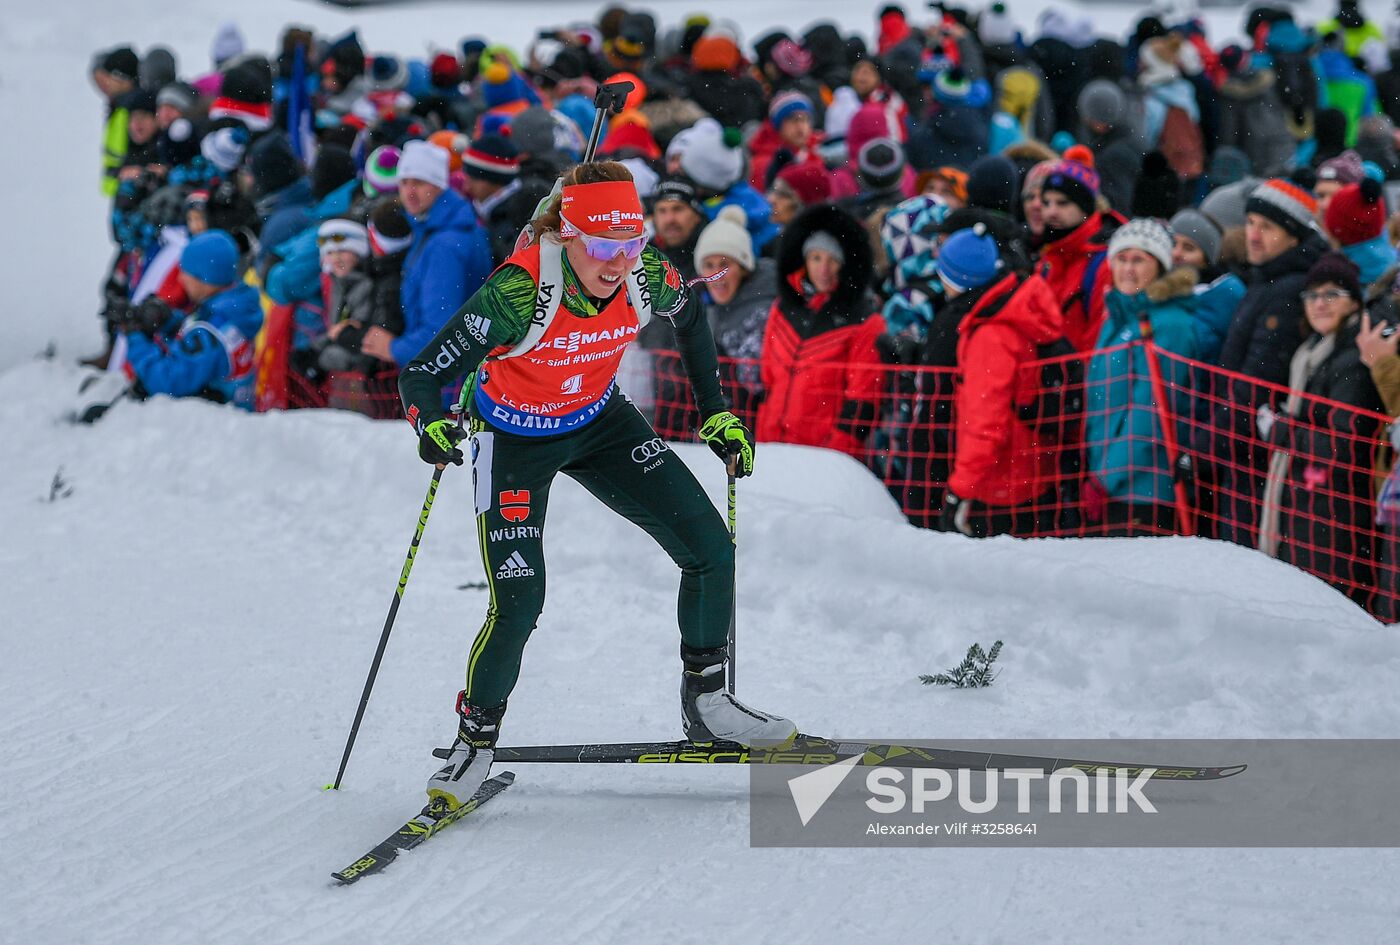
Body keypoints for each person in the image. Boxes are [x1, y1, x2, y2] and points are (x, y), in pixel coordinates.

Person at [397, 161, 795, 813]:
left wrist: (715, 410)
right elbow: (420, 373)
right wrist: (431, 423)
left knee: (710, 549)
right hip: (516, 439)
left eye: (632, 242)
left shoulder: (645, 275)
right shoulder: (518, 292)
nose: (618, 262)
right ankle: (476, 739)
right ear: (567, 235)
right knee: (520, 602)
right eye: (605, 246)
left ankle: (708, 701)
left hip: (598, 420)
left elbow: (691, 321)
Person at [1189, 179, 1328, 545]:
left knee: (1245, 559)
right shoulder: (1266, 280)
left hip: (1256, 453)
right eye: (1250, 222)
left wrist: (1204, 448)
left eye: (1266, 227)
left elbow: (1256, 384)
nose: (1253, 234)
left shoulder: (1286, 290)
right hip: (1242, 451)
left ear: (1293, 235)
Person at [1083, 219, 1239, 535]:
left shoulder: (1169, 325)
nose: (1128, 268)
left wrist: (1105, 478)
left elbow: (1150, 413)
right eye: (1122, 258)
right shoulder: (1118, 315)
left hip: (1147, 487)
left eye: (1139, 259)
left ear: (1160, 265)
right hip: (1113, 480)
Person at [1258, 253, 1383, 605]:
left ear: (1354, 302)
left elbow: (1345, 445)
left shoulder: (1350, 361)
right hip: (1309, 505)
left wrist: (1281, 431)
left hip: (1335, 514)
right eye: (1312, 295)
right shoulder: (1309, 354)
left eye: (1332, 294)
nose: (1319, 304)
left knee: (1323, 611)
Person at [940, 225, 1066, 537]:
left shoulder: (991, 335)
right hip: (1032, 471)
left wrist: (960, 489)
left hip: (1001, 485)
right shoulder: (1013, 310)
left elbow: (986, 423)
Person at [756, 202, 884, 457]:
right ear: (804, 260)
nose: (823, 269)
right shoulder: (783, 308)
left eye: (832, 260)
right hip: (770, 445)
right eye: (816, 258)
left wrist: (838, 451)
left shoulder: (864, 321)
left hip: (823, 455)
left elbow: (862, 398)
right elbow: (768, 379)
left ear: (845, 265)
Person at [379, 140, 493, 369]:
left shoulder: (445, 244)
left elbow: (440, 331)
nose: (409, 192)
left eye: (419, 183)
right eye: (404, 183)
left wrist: (394, 348)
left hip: (445, 381)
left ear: (439, 185)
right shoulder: (433, 227)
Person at [124, 230, 263, 410]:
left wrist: (136, 336)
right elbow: (202, 338)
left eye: (186, 272)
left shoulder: (212, 333)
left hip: (214, 426)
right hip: (231, 413)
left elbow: (168, 381)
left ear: (205, 278)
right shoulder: (232, 309)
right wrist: (168, 322)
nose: (181, 278)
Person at [695, 205, 778, 416]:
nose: (715, 275)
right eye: (708, 265)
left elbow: (756, 383)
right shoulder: (713, 311)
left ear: (743, 267)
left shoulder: (763, 312)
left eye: (724, 264)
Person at [1035, 147, 1120, 352]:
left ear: (1085, 207)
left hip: (1081, 379)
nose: (1051, 212)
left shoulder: (1105, 262)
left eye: (1063, 203)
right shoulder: (1048, 257)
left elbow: (1100, 338)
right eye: (1046, 202)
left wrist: (1074, 375)